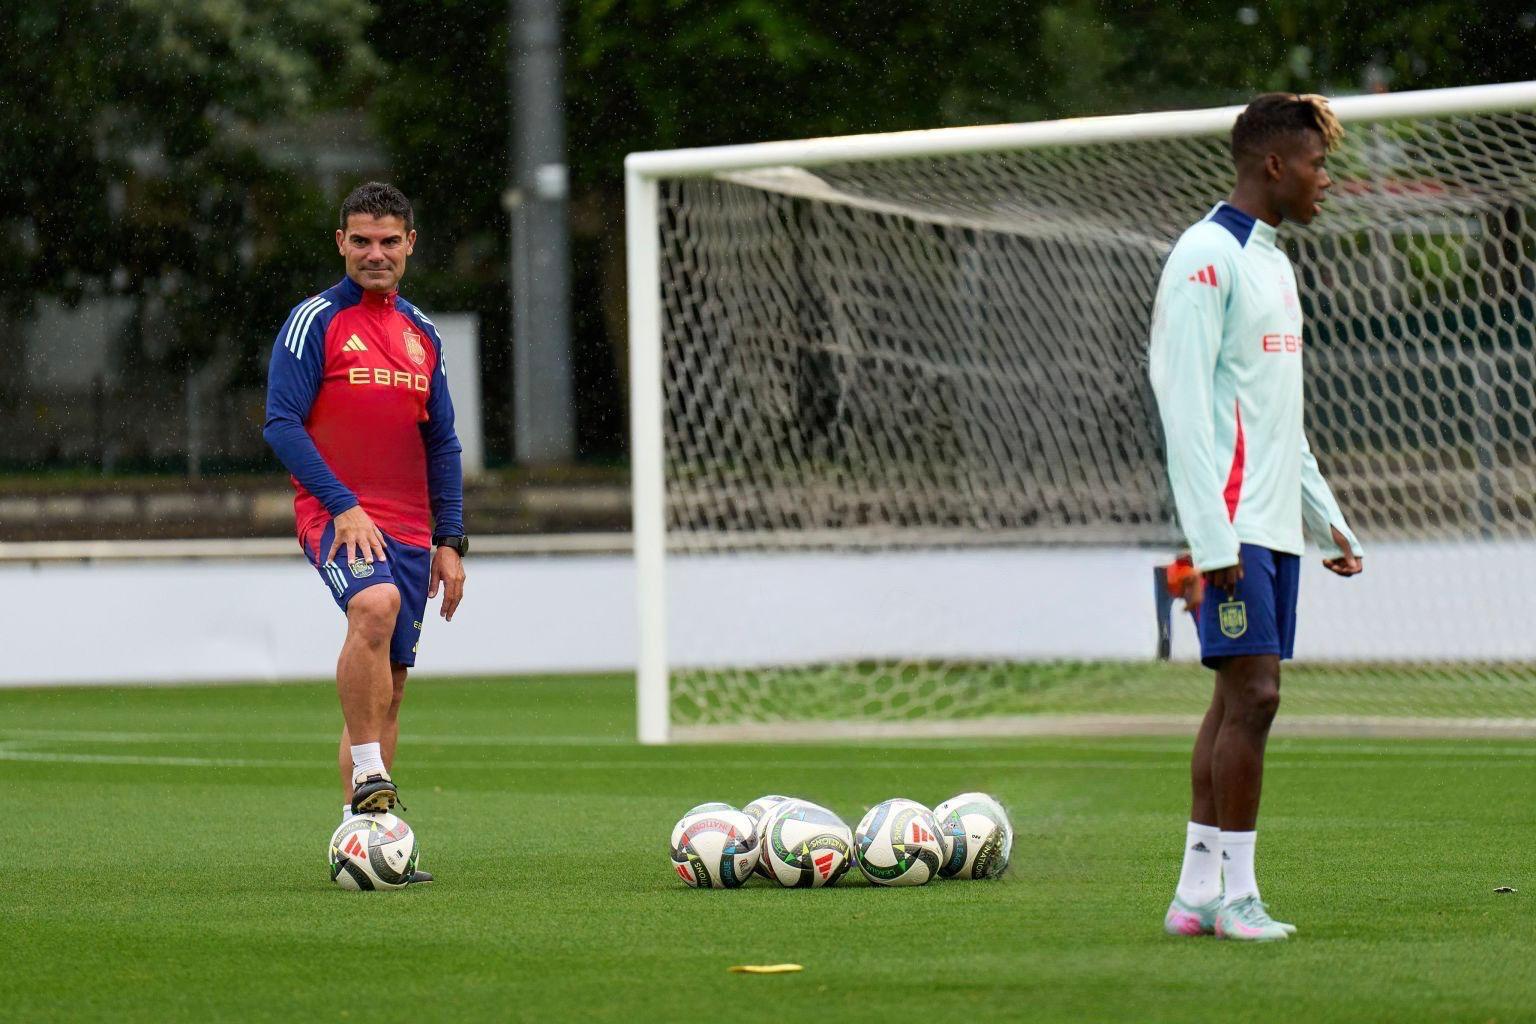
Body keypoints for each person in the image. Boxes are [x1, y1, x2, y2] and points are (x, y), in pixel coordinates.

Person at [1148, 95, 1364, 941]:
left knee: (1236, 698)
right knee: (1257, 696)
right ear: (1273, 165)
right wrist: (1211, 540)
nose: (1325, 181)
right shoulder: (1205, 256)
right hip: (1232, 525)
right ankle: (1237, 896)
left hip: (1272, 526)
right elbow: (1184, 409)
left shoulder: (1274, 262)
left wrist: (1328, 519)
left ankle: (1196, 893)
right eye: (1316, 165)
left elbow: (1279, 419)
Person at [263, 182, 467, 876]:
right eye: (360, 240)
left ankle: (366, 839)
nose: (374, 253)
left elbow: (443, 443)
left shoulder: (423, 334)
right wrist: (341, 502)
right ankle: (373, 779)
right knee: (372, 606)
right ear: (340, 242)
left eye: (388, 241)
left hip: (412, 526)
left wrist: (451, 538)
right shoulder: (314, 320)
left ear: (410, 244)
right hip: (337, 513)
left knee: (393, 683)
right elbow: (281, 423)